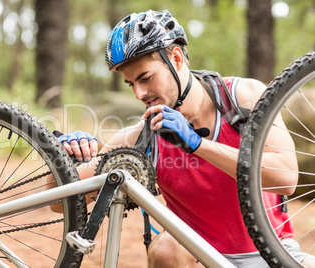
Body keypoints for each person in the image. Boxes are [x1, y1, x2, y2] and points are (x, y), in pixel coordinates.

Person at [57, 10, 315, 267]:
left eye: (145, 78)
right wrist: (63, 157)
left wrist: (197, 144)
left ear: (177, 58)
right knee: (166, 249)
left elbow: (286, 178)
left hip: (274, 253)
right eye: (130, 84)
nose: (139, 93)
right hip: (203, 260)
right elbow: (61, 202)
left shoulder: (243, 98)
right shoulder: (141, 136)